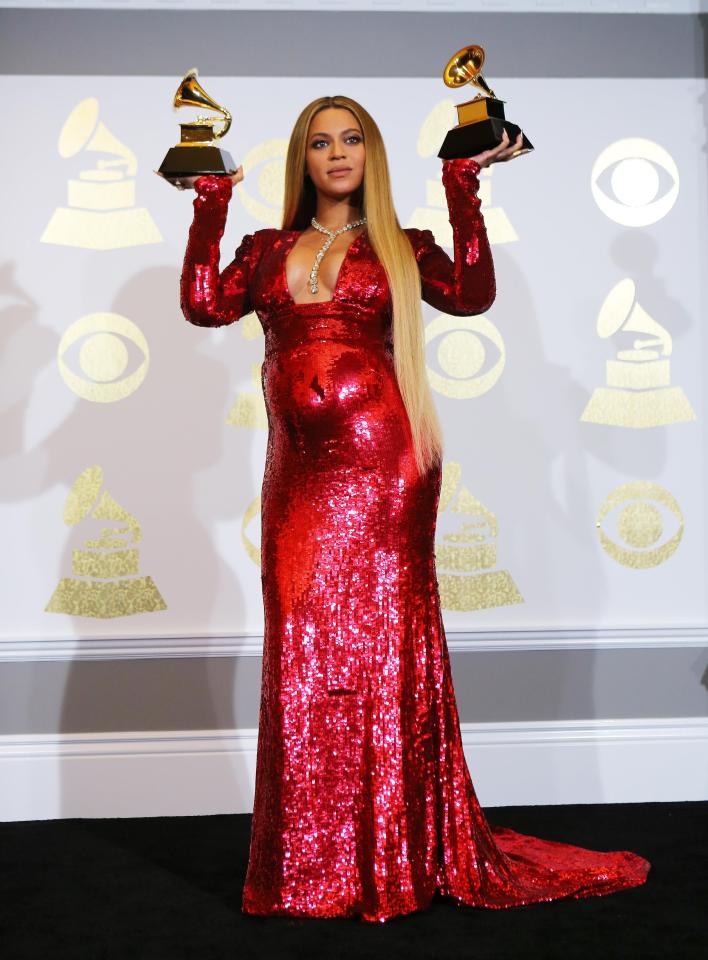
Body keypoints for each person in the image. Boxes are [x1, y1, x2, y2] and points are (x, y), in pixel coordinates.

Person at [180, 95, 650, 923]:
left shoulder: (401, 246)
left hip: (389, 468)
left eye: (351, 139)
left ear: (372, 154)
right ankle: (312, 863)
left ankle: (393, 853)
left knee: (385, 651)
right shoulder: (266, 249)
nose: (337, 153)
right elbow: (202, 305)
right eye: (321, 142)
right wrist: (210, 205)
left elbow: (471, 294)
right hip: (299, 478)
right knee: (305, 651)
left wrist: (462, 183)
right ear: (302, 158)